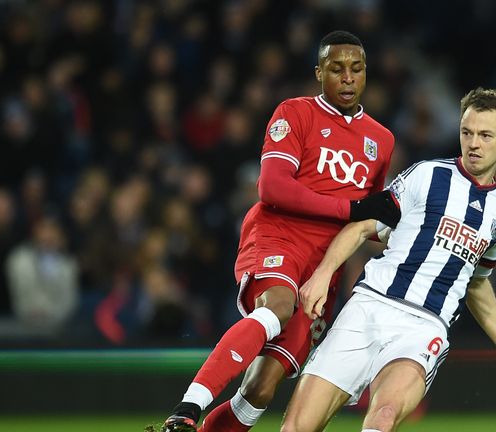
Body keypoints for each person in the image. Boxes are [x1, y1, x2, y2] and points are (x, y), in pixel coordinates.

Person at [157, 31, 398, 432]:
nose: (347, 78)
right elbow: (273, 186)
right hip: (278, 237)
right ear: (319, 72)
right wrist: (350, 208)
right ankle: (186, 409)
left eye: (356, 69)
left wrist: (399, 229)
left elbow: (367, 219)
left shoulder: (381, 140)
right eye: (336, 69)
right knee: (278, 305)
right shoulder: (294, 113)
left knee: (262, 389)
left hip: (324, 268)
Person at [280, 88, 496, 432]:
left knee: (383, 416)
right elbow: (362, 227)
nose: (474, 144)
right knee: (296, 428)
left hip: (423, 327)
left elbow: (475, 279)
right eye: (467, 133)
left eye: (485, 135)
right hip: (369, 306)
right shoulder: (427, 175)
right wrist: (322, 274)